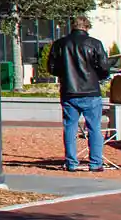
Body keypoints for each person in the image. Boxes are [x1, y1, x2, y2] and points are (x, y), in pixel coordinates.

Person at [47, 15, 114, 172]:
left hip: (69, 90)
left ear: (73, 27)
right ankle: (95, 163)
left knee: (70, 127)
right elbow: (104, 67)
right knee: (94, 127)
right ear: (87, 27)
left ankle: (71, 162)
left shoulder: (60, 44)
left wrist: (63, 74)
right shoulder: (94, 44)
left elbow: (52, 68)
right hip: (91, 91)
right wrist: (99, 75)